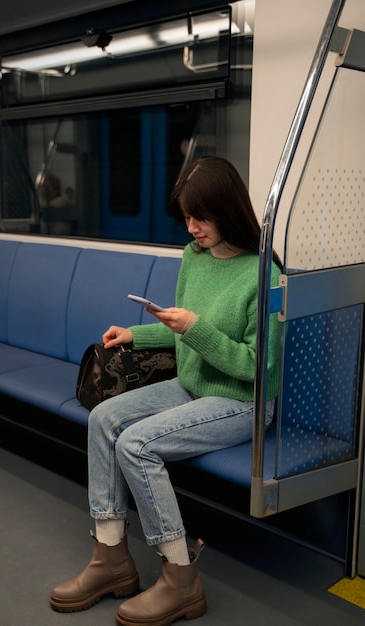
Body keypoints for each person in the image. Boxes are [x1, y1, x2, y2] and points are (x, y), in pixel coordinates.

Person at [49, 156, 282, 625]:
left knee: (136, 445)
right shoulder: (194, 257)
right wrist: (139, 334)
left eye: (202, 217)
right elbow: (182, 333)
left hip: (242, 402)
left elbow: (261, 370)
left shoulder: (265, 276)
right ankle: (111, 559)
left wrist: (195, 330)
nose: (193, 227)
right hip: (192, 386)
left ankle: (180, 577)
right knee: (103, 418)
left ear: (228, 209)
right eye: (187, 218)